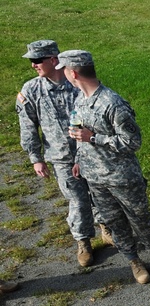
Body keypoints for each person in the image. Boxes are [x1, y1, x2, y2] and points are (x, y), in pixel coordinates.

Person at [61, 50, 150, 284]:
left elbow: (132, 142)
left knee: (140, 218)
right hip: (95, 178)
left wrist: (94, 138)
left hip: (122, 177)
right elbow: (80, 135)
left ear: (73, 73)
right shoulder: (80, 99)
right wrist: (79, 160)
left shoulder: (112, 103)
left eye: (64, 70)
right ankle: (134, 260)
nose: (63, 74)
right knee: (114, 221)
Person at [16, 39, 98, 267]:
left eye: (36, 60)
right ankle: (83, 241)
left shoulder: (77, 82)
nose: (33, 65)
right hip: (61, 157)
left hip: (91, 151)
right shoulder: (31, 90)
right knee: (78, 201)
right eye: (31, 61)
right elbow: (28, 126)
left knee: (99, 194)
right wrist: (36, 158)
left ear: (54, 60)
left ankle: (106, 229)